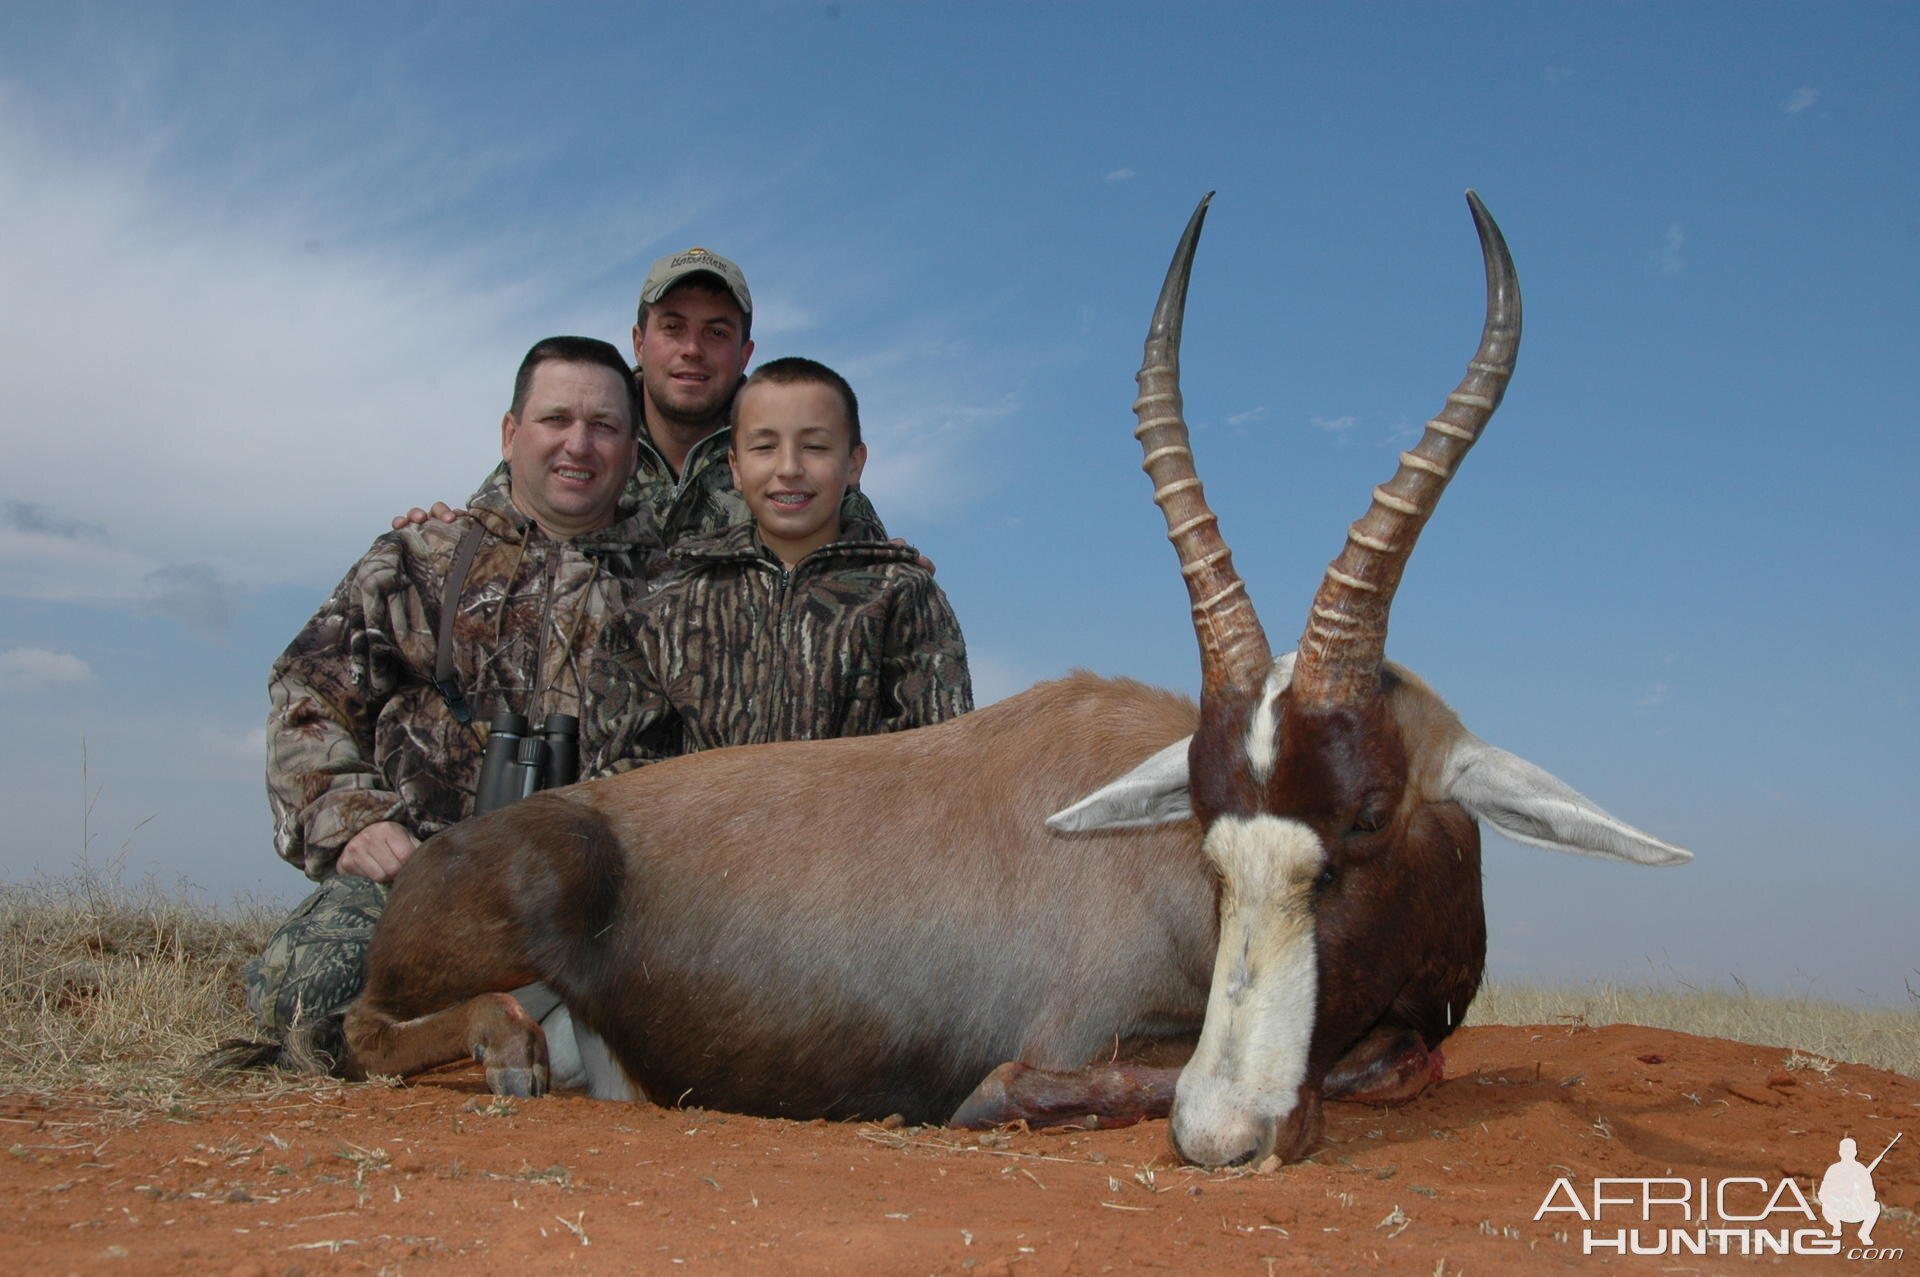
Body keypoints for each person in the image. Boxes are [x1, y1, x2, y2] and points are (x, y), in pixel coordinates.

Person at [246, 336, 664, 1055]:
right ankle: (468, 1031)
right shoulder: (420, 557)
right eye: (555, 419)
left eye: (604, 427)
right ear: (510, 434)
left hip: (610, 907)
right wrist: (354, 821)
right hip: (419, 885)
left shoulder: (680, 587)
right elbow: (306, 693)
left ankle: (504, 1033)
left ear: (632, 450)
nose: (578, 444)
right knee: (305, 991)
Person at [585, 356, 971, 773]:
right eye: (765, 446)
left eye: (815, 447)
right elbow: (619, 779)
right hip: (701, 837)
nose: (789, 468)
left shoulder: (903, 595)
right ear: (734, 467)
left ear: (854, 463)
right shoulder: (662, 611)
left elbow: (940, 764)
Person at [399, 246, 888, 548]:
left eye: (716, 333)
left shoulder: (781, 451)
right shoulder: (584, 430)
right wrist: (438, 537)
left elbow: (858, 565)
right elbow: (499, 525)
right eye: (673, 328)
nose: (692, 350)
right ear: (639, 341)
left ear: (745, 353)